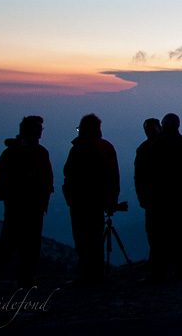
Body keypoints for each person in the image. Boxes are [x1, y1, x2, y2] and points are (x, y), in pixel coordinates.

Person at [0, 116, 54, 293]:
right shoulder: (25, 152)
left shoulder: (18, 152)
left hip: (28, 206)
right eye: (38, 128)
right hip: (23, 206)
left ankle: (13, 281)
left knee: (19, 244)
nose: (40, 132)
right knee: (15, 244)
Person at [62, 113, 120, 285]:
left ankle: (86, 275)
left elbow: (69, 172)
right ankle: (97, 273)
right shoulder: (106, 147)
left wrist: (70, 196)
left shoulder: (80, 148)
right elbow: (114, 175)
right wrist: (112, 199)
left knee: (83, 238)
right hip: (99, 201)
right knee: (95, 237)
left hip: (81, 201)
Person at [145, 113, 182, 281]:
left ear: (164, 125)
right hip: (180, 195)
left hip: (160, 196)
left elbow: (150, 171)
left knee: (159, 233)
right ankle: (181, 268)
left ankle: (159, 270)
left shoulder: (157, 145)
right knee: (180, 231)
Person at [134, 117, 160, 277]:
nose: (149, 133)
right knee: (153, 231)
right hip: (152, 197)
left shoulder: (146, 148)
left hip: (158, 196)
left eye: (151, 129)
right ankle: (158, 260)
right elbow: (138, 176)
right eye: (147, 130)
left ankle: (160, 263)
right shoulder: (143, 149)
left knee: (157, 230)